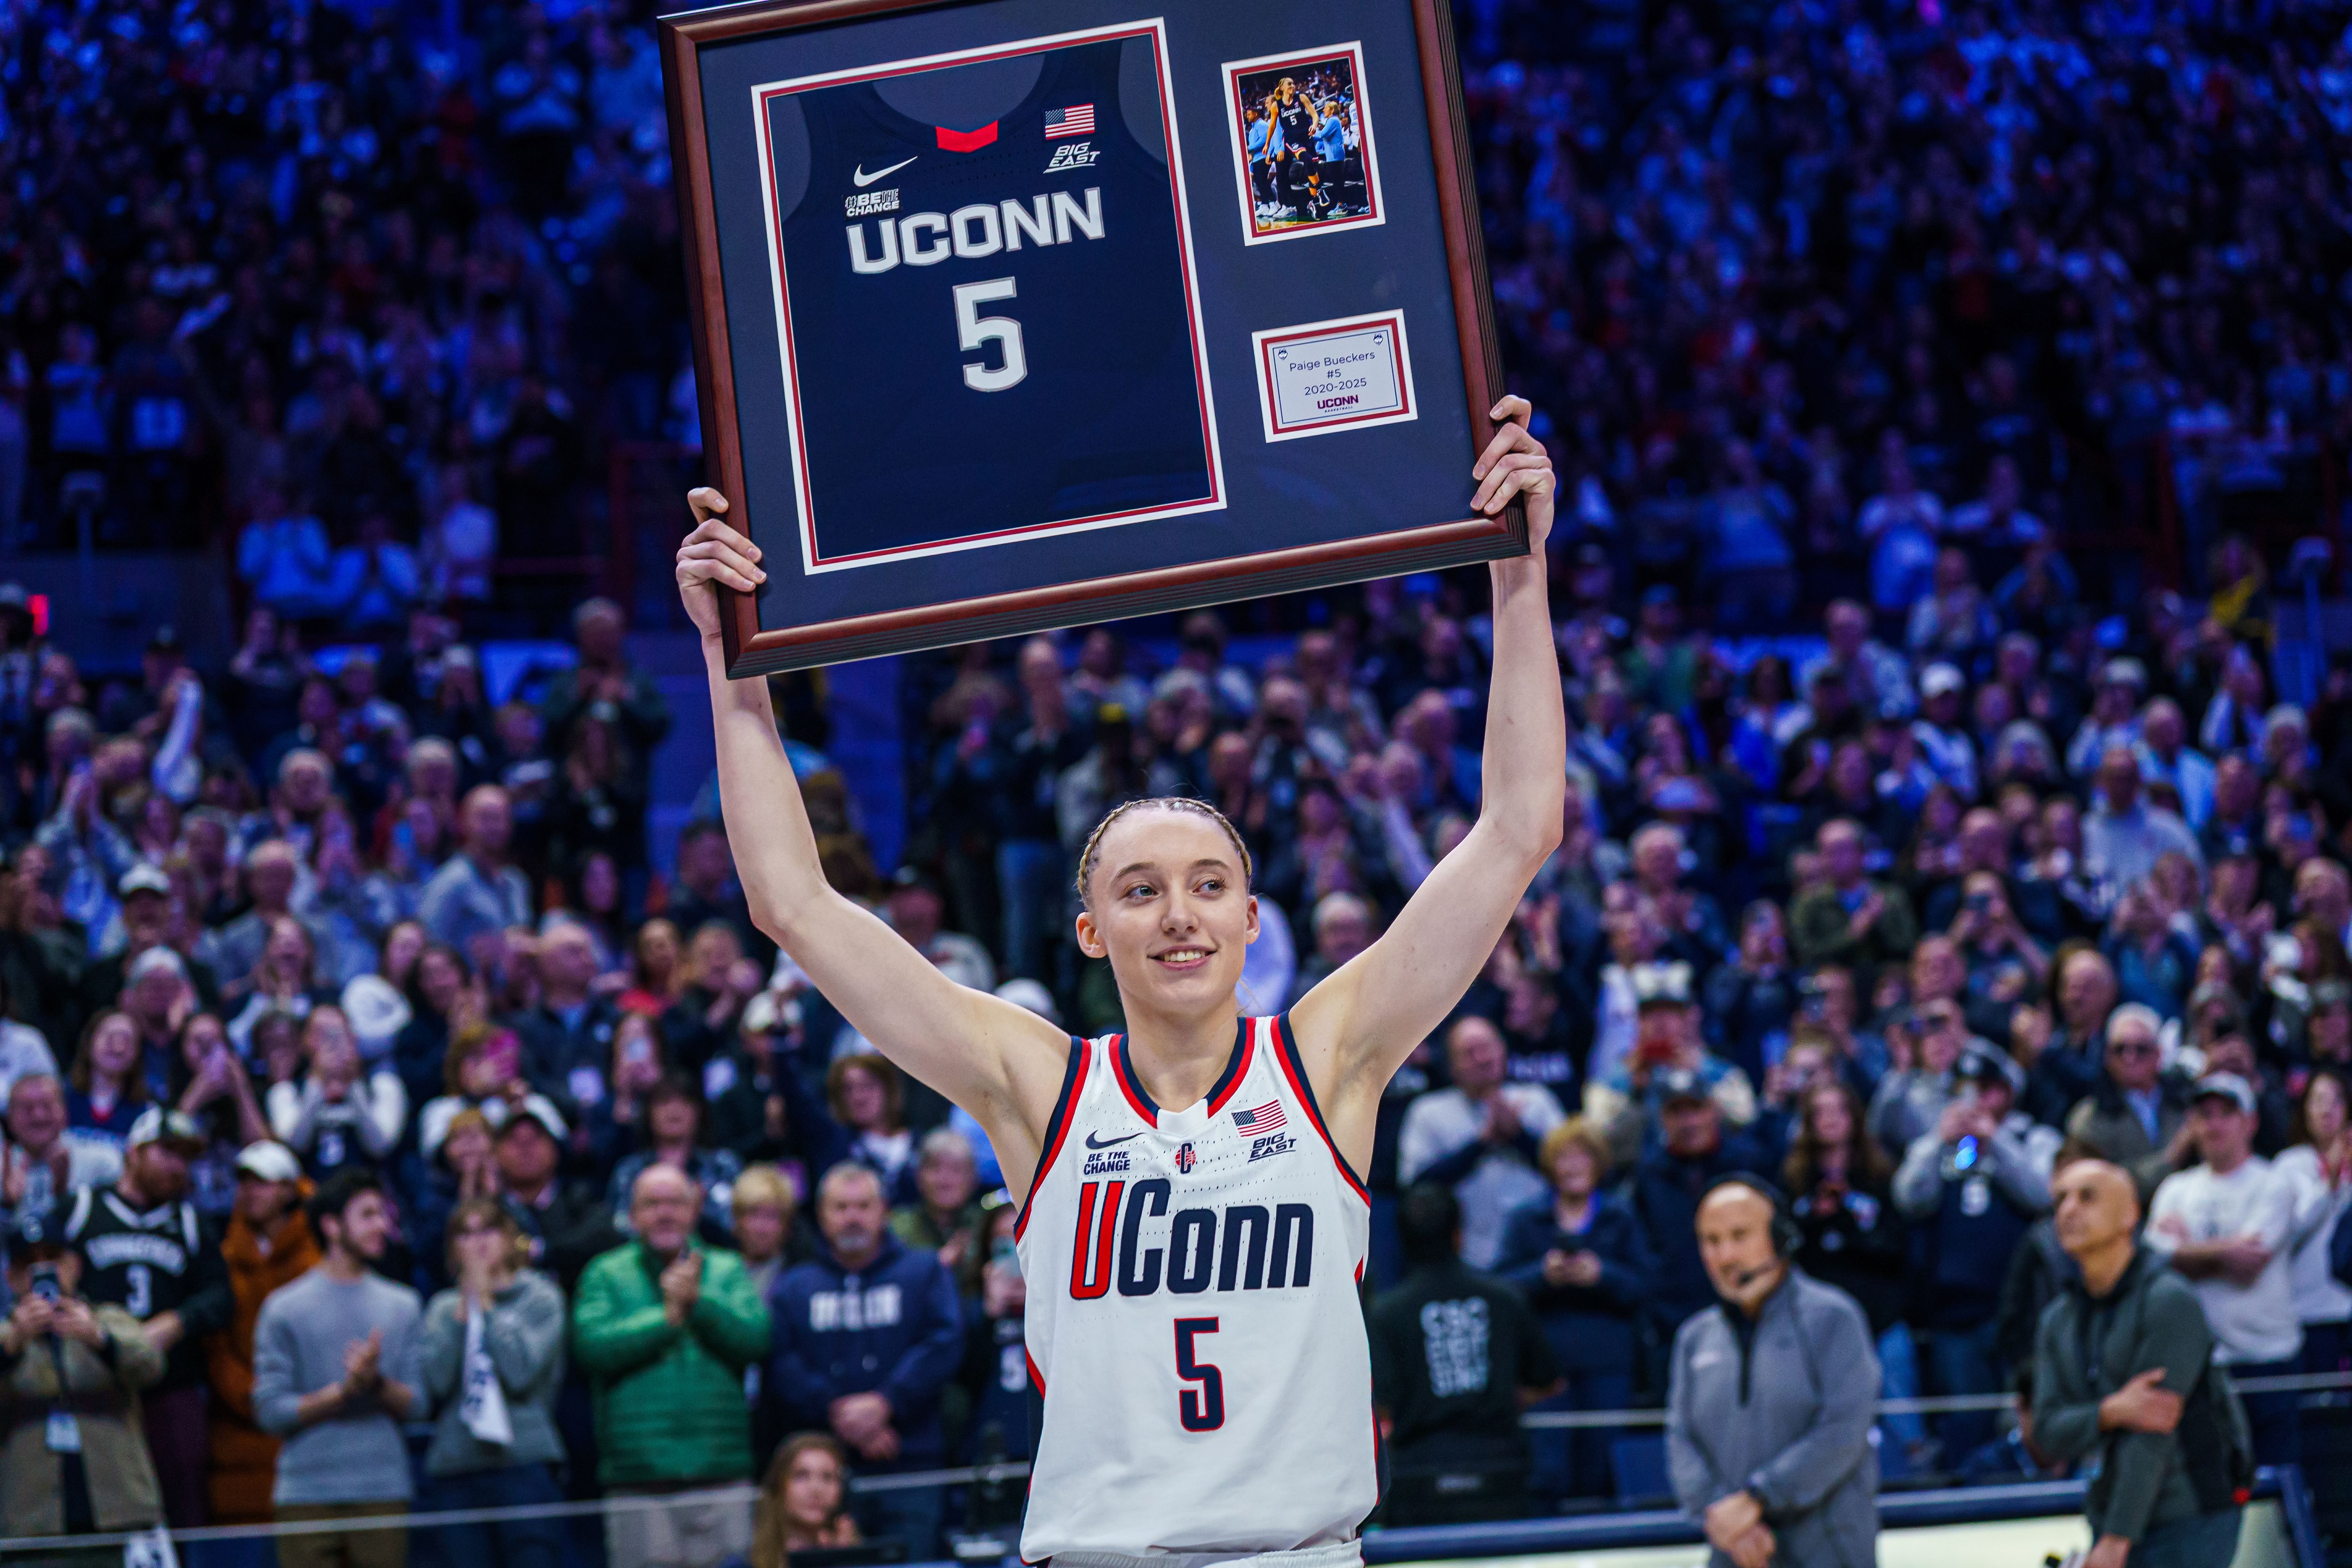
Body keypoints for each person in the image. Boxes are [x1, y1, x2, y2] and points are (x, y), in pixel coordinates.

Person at [670, 397, 1565, 1563]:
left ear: (1252, 918)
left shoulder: (1327, 1055)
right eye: (1139, 889)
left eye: (1207, 884)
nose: (1178, 913)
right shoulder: (1035, 1086)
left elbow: (1515, 829)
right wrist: (727, 653)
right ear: (1090, 930)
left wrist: (1520, 564)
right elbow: (792, 901)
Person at [2034, 1161, 2251, 1568]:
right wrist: (2108, 1412)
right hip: (2110, 1514)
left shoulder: (2170, 1300)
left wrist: (2116, 1540)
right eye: (2060, 1199)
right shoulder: (2057, 1319)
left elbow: (2152, 1434)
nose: (2068, 1210)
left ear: (2130, 1214)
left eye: (2087, 1197)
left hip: (2190, 1517)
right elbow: (2046, 1430)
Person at [1666, 1178, 1879, 1568]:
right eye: (1711, 1241)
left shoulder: (1833, 1319)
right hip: (1734, 1553)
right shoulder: (1694, 1338)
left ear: (1780, 1238)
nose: (1725, 1255)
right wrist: (1726, 1519)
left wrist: (1757, 1499)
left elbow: (1843, 1429)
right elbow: (1681, 1439)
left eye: (1739, 1236)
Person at [572, 1163, 772, 1568]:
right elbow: (591, 1348)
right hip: (638, 1480)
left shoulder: (727, 1268)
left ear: (694, 1210)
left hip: (722, 1473)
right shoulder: (605, 1273)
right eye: (652, 1204)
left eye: (675, 1203)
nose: (665, 1213)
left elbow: (757, 1340)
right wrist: (664, 1320)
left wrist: (700, 1303)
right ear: (631, 1215)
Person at [769, 1161, 964, 1555]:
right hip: (824, 1472)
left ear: (884, 1212)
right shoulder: (794, 1286)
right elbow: (782, 1361)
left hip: (911, 1460)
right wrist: (838, 1411)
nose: (852, 1218)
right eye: (840, 1208)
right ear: (821, 1216)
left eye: (862, 1207)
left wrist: (887, 1402)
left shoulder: (923, 1270)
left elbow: (945, 1341)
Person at [61, 1105, 231, 1529]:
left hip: (170, 1383)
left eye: (185, 1157)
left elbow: (222, 1296)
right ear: (133, 1153)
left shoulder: (190, 1222)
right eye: (167, 1152)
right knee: (104, 1508)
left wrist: (178, 1321)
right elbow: (41, 1270)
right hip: (97, 1385)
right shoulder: (82, 1208)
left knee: (183, 1508)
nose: (178, 1166)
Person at [251, 1167, 424, 1568]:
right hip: (304, 1493)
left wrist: (375, 1383)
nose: (382, 1225)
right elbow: (270, 1412)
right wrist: (344, 1392)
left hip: (382, 1489)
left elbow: (419, 1405)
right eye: (368, 1215)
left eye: (383, 1214)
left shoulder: (403, 1305)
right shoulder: (284, 1308)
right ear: (331, 1226)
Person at [1890, 1040, 2055, 1458]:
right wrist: (1935, 1141)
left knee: (2029, 1419)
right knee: (1970, 1424)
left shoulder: (2030, 1137)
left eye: (1986, 1089)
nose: (1975, 1101)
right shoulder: (1943, 1148)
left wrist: (1994, 1141)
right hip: (1956, 1315)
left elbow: (2042, 1196)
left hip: (2022, 1310)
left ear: (2007, 1092)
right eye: (1965, 1089)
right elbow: (1910, 1199)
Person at [1368, 1182, 1562, 1525]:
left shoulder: (1385, 1313)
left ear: (1401, 1238)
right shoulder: (1506, 1298)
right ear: (1459, 1234)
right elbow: (1550, 1381)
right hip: (1501, 1467)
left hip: (1418, 1475)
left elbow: (1382, 1405)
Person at [2146, 1073, 2305, 1468]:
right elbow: (2151, 1262)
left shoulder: (2273, 1183)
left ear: (2250, 1123)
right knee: (2213, 1484)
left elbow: (2249, 1265)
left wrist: (2183, 1251)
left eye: (2225, 1114)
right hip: (2202, 1363)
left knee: (2275, 1481)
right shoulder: (2175, 1189)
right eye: (2205, 1115)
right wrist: (2223, 1251)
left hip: (2267, 1356)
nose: (2214, 1124)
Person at [1495, 1118, 1651, 1505]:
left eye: (1582, 1155)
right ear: (1550, 1165)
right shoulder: (1526, 1218)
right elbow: (1501, 1288)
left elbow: (1645, 1286)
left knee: (1601, 1467)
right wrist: (1542, 1275)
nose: (1573, 1165)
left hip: (1608, 1360)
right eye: (1563, 1157)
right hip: (1547, 1365)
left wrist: (1603, 1275)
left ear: (1598, 1163)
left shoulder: (1621, 1216)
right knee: (1550, 1470)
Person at [415, 1197, 569, 1568]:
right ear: (453, 1247)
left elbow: (521, 1373)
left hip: (525, 1464)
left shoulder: (541, 1298)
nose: (477, 1242)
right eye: (465, 1234)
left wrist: (485, 1304)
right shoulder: (441, 1307)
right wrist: (461, 1315)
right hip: (457, 1469)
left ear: (508, 1237)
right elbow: (435, 1383)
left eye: (487, 1230)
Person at [0, 1206, 169, 1543]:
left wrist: (100, 1339)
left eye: (53, 1257)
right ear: (12, 1277)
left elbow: (152, 1367)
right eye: (29, 1262)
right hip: (31, 1521)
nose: (42, 1270)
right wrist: (13, 1344)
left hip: (120, 1511)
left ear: (74, 1265)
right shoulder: (6, 1335)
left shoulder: (109, 1319)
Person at [208, 1140, 322, 1526]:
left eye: (264, 1182)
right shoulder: (223, 1257)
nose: (251, 1191)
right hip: (239, 1423)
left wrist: (293, 1401)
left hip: (310, 1417)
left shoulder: (318, 1257)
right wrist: (253, 1396)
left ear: (290, 1189)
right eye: (245, 1182)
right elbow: (216, 1345)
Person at [1398, 1015, 1567, 1268]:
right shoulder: (1427, 1112)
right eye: (1469, 1053)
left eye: (1487, 1047)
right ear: (1452, 1066)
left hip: (1539, 1257)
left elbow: (1572, 1172)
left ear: (1503, 1050)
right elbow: (1417, 1187)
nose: (1482, 1059)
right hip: (1461, 1256)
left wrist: (1519, 1137)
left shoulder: (1537, 1101)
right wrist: (1482, 1144)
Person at [2275, 1069, 2351, 1376]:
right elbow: (2290, 1231)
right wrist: (2329, 1180)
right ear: (2304, 1109)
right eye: (2318, 1100)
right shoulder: (2289, 1165)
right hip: (2310, 1310)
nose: (2326, 1110)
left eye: (2336, 1101)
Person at [748, 1434, 862, 1568]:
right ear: (778, 1486)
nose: (816, 1489)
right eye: (801, 1476)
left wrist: (846, 1559)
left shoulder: (864, 1559)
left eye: (828, 1477)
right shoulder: (741, 1564)